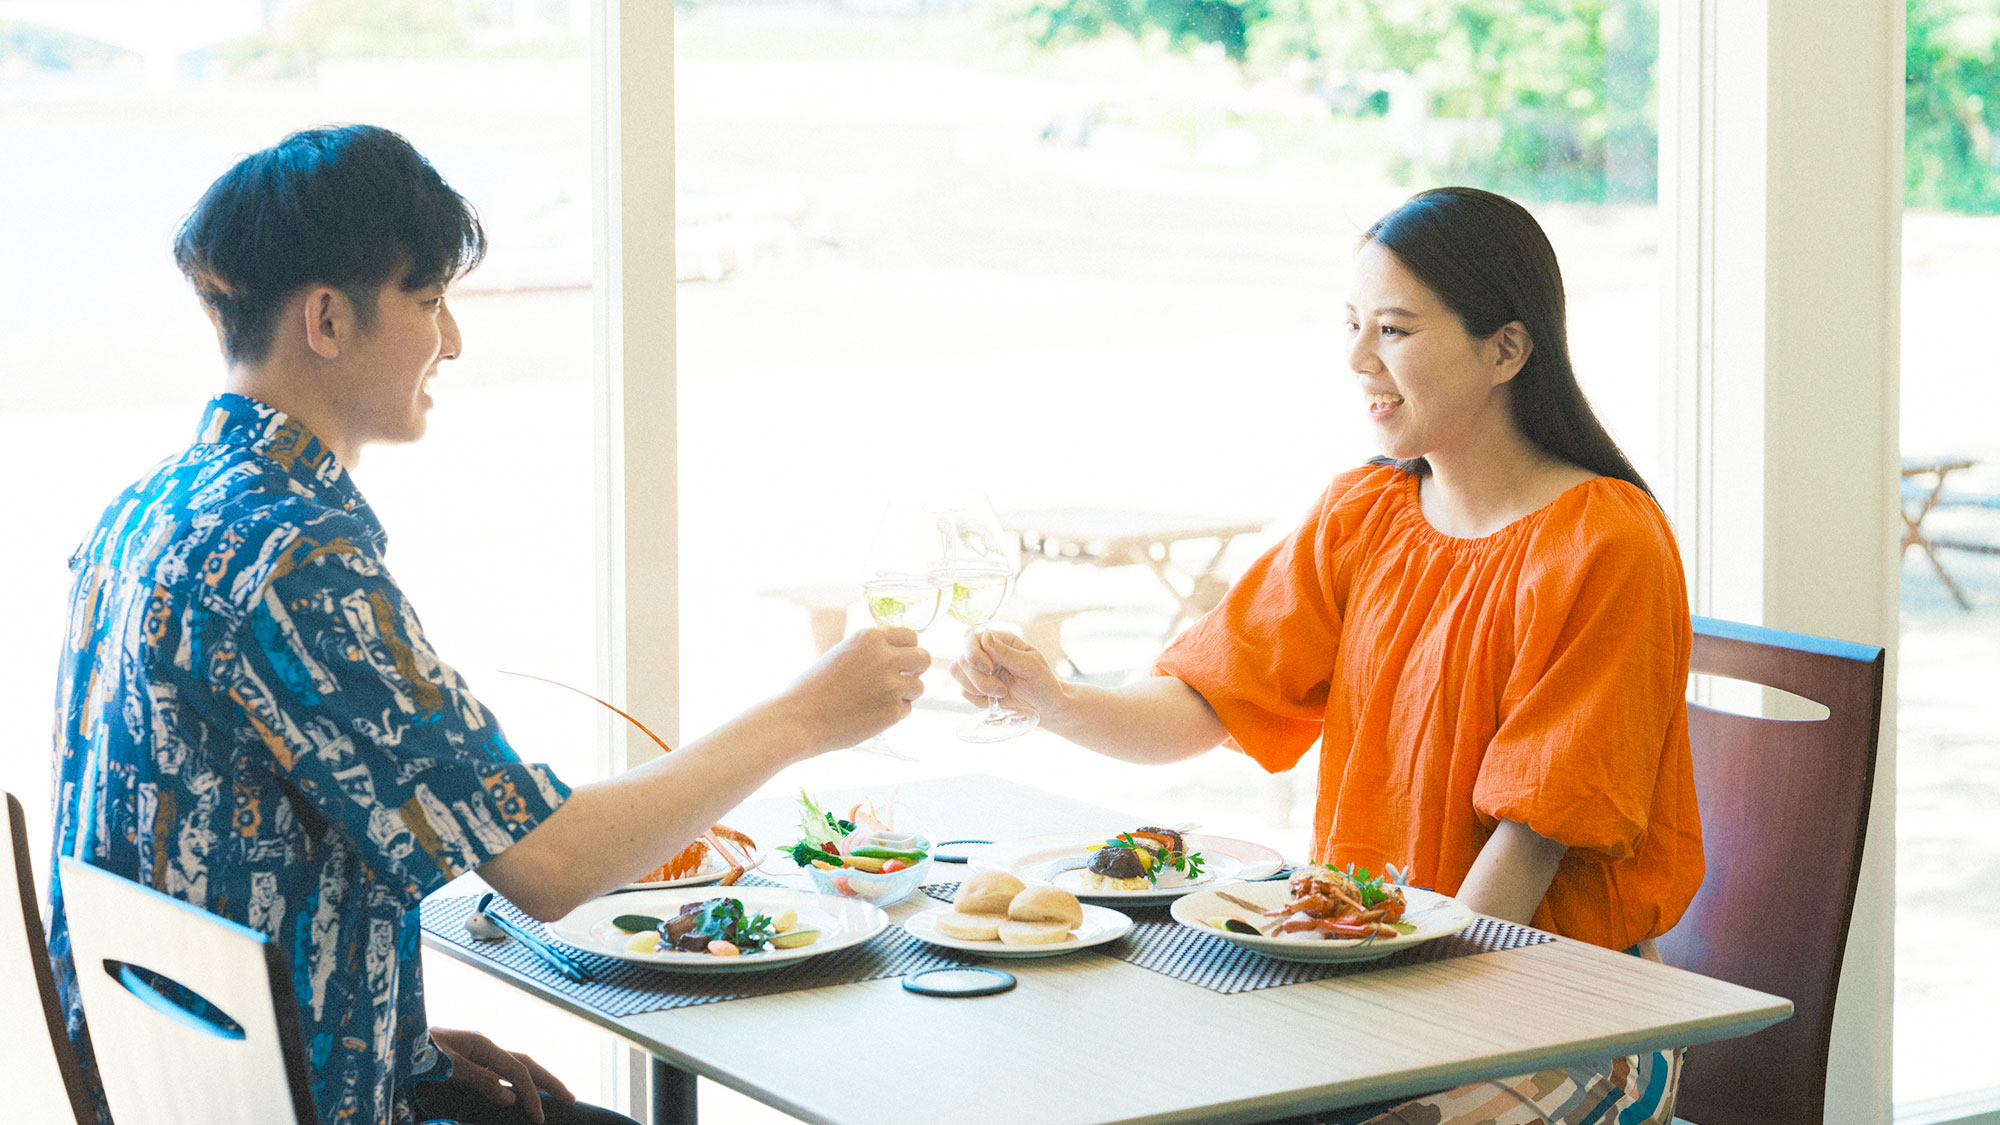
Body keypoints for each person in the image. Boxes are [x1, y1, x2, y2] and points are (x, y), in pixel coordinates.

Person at [46, 124, 928, 1125]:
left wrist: (393, 1048)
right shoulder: (295, 558)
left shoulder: (149, 512)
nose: (451, 341)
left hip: (186, 1095)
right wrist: (807, 717)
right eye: (428, 301)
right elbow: (547, 867)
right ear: (328, 319)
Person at [952, 186, 1703, 1124]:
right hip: (1374, 973)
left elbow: (1531, 836)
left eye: (1393, 330)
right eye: (1353, 324)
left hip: (1566, 1008)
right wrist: (1054, 699)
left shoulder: (1605, 542)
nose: (1357, 361)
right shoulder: (1364, 513)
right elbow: (1205, 699)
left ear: (1506, 349)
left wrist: (1396, 1035)